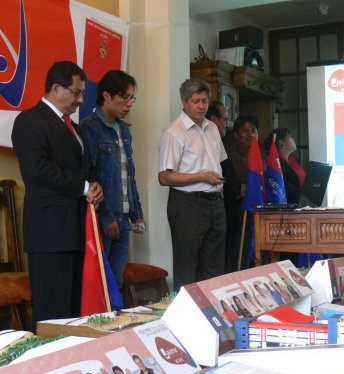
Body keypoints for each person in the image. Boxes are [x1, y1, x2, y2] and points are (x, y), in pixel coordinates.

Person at [11, 61, 103, 329]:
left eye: (82, 93)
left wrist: (94, 186)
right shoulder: (30, 121)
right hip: (50, 234)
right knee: (54, 313)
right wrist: (84, 187)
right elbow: (37, 169)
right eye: (76, 92)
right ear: (55, 88)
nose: (81, 99)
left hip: (77, 232)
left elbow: (87, 167)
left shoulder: (75, 128)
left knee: (77, 311)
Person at [158, 78, 227, 291]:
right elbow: (164, 177)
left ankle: (212, 318)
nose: (201, 106)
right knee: (187, 268)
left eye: (204, 101)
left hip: (214, 203)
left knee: (214, 267)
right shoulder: (174, 132)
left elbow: (219, 164)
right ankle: (186, 319)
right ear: (184, 101)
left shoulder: (213, 128)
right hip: (187, 204)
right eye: (195, 101)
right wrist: (201, 177)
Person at [80, 70, 145, 288]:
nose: (129, 104)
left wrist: (137, 214)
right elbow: (91, 177)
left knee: (116, 284)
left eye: (131, 98)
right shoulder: (90, 128)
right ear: (106, 95)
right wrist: (106, 217)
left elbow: (129, 176)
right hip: (104, 220)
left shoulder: (124, 130)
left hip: (124, 217)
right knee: (100, 284)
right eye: (124, 97)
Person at [222, 116, 260, 271]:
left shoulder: (260, 155)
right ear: (236, 134)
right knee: (238, 255)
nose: (250, 134)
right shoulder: (228, 154)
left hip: (257, 214)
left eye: (253, 131)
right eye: (245, 131)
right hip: (237, 212)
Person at [264, 128, 301, 204]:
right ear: (281, 142)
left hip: (303, 202)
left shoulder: (294, 160)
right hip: (289, 204)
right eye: (290, 137)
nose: (293, 139)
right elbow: (286, 188)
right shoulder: (277, 164)